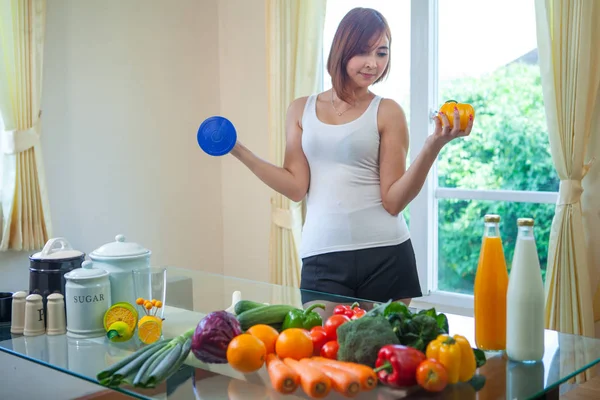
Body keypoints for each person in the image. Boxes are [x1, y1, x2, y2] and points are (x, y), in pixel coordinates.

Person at [230, 7, 473, 309]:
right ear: (343, 50)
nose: (373, 63)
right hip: (322, 256)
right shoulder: (300, 109)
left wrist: (433, 145)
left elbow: (393, 201)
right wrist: (237, 149)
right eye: (363, 51)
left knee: (381, 355)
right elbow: (295, 186)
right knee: (322, 352)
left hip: (387, 253)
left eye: (382, 53)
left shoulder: (388, 111)